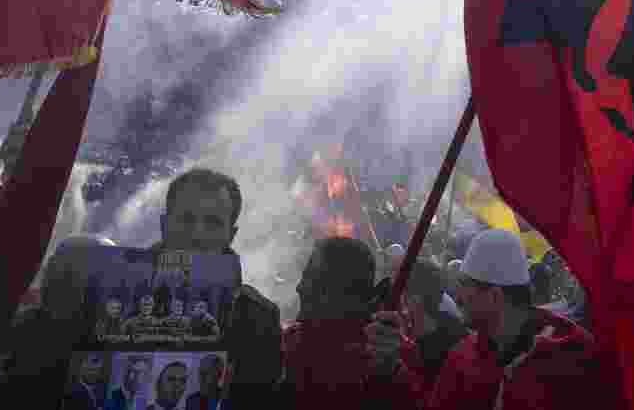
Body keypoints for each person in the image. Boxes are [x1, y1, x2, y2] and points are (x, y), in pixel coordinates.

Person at [366, 229, 623, 409]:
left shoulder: (573, 354)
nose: (458, 295)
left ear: (495, 295)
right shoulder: (462, 357)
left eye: (465, 284)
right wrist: (394, 366)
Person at [155, 168, 281, 397]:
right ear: (164, 224)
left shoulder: (258, 319)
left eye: (213, 223)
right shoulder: (104, 292)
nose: (197, 234)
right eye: (186, 219)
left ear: (231, 235)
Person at [277, 236, 388, 408]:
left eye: (311, 278)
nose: (300, 287)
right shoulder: (290, 342)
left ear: (341, 295)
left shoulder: (376, 368)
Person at [399, 260, 468, 397]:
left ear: (414, 300)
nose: (401, 300)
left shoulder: (416, 353)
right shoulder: (458, 330)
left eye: (403, 292)